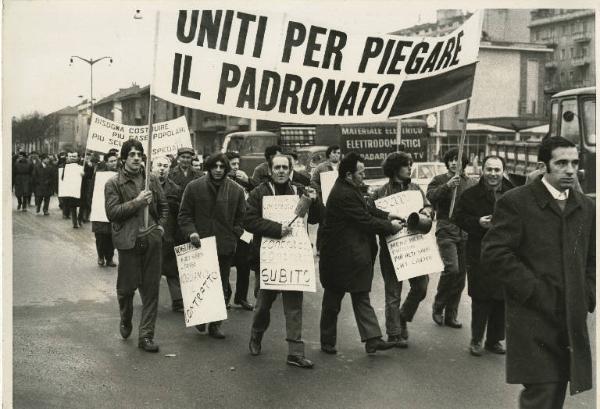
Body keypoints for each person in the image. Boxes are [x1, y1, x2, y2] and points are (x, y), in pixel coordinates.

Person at [482, 137, 595, 408]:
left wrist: (588, 293)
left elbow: (592, 259)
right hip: (532, 319)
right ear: (544, 165)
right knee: (542, 392)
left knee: (556, 391)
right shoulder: (517, 202)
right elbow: (495, 253)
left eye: (574, 163)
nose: (570, 170)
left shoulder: (585, 207)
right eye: (562, 163)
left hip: (569, 318)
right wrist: (533, 289)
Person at [319, 152, 403, 355]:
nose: (364, 175)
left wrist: (387, 214)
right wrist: (390, 226)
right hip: (338, 258)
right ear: (349, 175)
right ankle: (327, 341)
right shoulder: (344, 193)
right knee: (333, 300)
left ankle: (373, 339)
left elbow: (367, 208)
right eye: (361, 172)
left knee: (360, 295)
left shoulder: (348, 187)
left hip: (348, 256)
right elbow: (364, 220)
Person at [245, 154, 318, 368]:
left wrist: (314, 201)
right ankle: (256, 335)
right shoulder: (259, 192)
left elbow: (315, 218)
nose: (281, 171)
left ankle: (295, 352)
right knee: (263, 305)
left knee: (294, 306)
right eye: (277, 167)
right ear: (270, 169)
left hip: (293, 258)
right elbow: (248, 221)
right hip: (269, 259)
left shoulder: (299, 191)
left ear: (290, 169)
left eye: (285, 167)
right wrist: (276, 229)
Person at [105, 139, 168, 353]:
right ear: (123, 159)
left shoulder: (151, 179)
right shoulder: (113, 183)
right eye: (131, 154)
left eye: (139, 154)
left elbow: (165, 206)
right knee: (126, 290)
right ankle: (125, 318)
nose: (136, 157)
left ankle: (146, 336)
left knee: (151, 290)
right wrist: (138, 202)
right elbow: (112, 213)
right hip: (129, 242)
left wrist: (160, 228)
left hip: (152, 241)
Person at [178, 153, 246, 339]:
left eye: (221, 167)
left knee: (221, 286)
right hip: (200, 244)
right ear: (208, 168)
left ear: (226, 169)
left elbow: (242, 218)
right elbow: (184, 215)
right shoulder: (194, 187)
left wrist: (234, 234)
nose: (218, 170)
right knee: (201, 284)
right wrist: (191, 232)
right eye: (214, 166)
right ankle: (200, 317)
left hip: (224, 246)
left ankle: (215, 325)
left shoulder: (236, 191)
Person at [453, 156, 514, 357]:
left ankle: (494, 340)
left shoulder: (513, 193)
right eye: (489, 169)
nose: (493, 174)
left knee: (501, 297)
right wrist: (477, 222)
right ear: (482, 171)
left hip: (506, 252)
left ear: (503, 171)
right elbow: (458, 217)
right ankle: (477, 339)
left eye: (497, 170)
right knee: (481, 297)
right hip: (479, 251)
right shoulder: (470, 195)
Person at [371, 152, 433, 348]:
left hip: (416, 247)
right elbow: (373, 218)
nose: (409, 168)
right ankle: (394, 333)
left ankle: (404, 316)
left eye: (410, 165)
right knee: (393, 293)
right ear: (395, 168)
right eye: (406, 165)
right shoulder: (380, 193)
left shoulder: (416, 190)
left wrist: (426, 211)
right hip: (392, 250)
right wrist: (388, 224)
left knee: (421, 287)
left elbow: (429, 208)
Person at [426, 148, 476, 328]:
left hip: (465, 231)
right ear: (447, 162)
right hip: (446, 227)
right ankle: (438, 306)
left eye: (459, 160)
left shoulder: (470, 182)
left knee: (461, 276)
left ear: (464, 163)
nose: (455, 163)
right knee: (452, 269)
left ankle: (451, 315)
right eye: (452, 160)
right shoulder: (439, 180)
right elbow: (430, 197)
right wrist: (447, 186)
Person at [152, 156, 185, 312]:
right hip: (150, 234)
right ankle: (149, 299)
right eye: (159, 165)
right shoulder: (145, 186)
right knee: (151, 270)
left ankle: (178, 301)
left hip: (169, 235)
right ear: (152, 167)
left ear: (169, 169)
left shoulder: (175, 189)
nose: (162, 169)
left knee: (172, 269)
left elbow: (180, 213)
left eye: (165, 166)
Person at [225, 151, 255, 311]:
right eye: (233, 164)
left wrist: (248, 182)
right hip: (228, 230)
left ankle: (241, 297)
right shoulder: (223, 182)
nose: (236, 168)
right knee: (225, 265)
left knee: (244, 265)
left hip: (243, 230)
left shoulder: (243, 181)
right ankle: (225, 295)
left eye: (238, 164)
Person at [310, 145, 341, 252]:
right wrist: (321, 190)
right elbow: (313, 181)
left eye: (338, 153)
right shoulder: (321, 167)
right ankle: (320, 248)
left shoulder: (342, 167)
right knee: (324, 223)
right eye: (334, 152)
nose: (336, 155)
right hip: (325, 200)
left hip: (339, 200)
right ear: (329, 154)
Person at [92, 151, 118, 267]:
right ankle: (100, 256)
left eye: (115, 161)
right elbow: (92, 190)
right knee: (100, 236)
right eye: (111, 161)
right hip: (99, 210)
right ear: (106, 162)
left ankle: (110, 258)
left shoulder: (119, 174)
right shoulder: (99, 175)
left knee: (112, 236)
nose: (114, 163)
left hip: (112, 209)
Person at [61, 152, 84, 228]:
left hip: (81, 190)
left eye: (75, 156)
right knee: (73, 206)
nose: (73, 158)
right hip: (72, 190)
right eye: (72, 156)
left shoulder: (82, 166)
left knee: (81, 206)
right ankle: (75, 223)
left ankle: (79, 220)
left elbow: (89, 177)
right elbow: (62, 177)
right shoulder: (66, 167)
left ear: (78, 157)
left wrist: (84, 175)